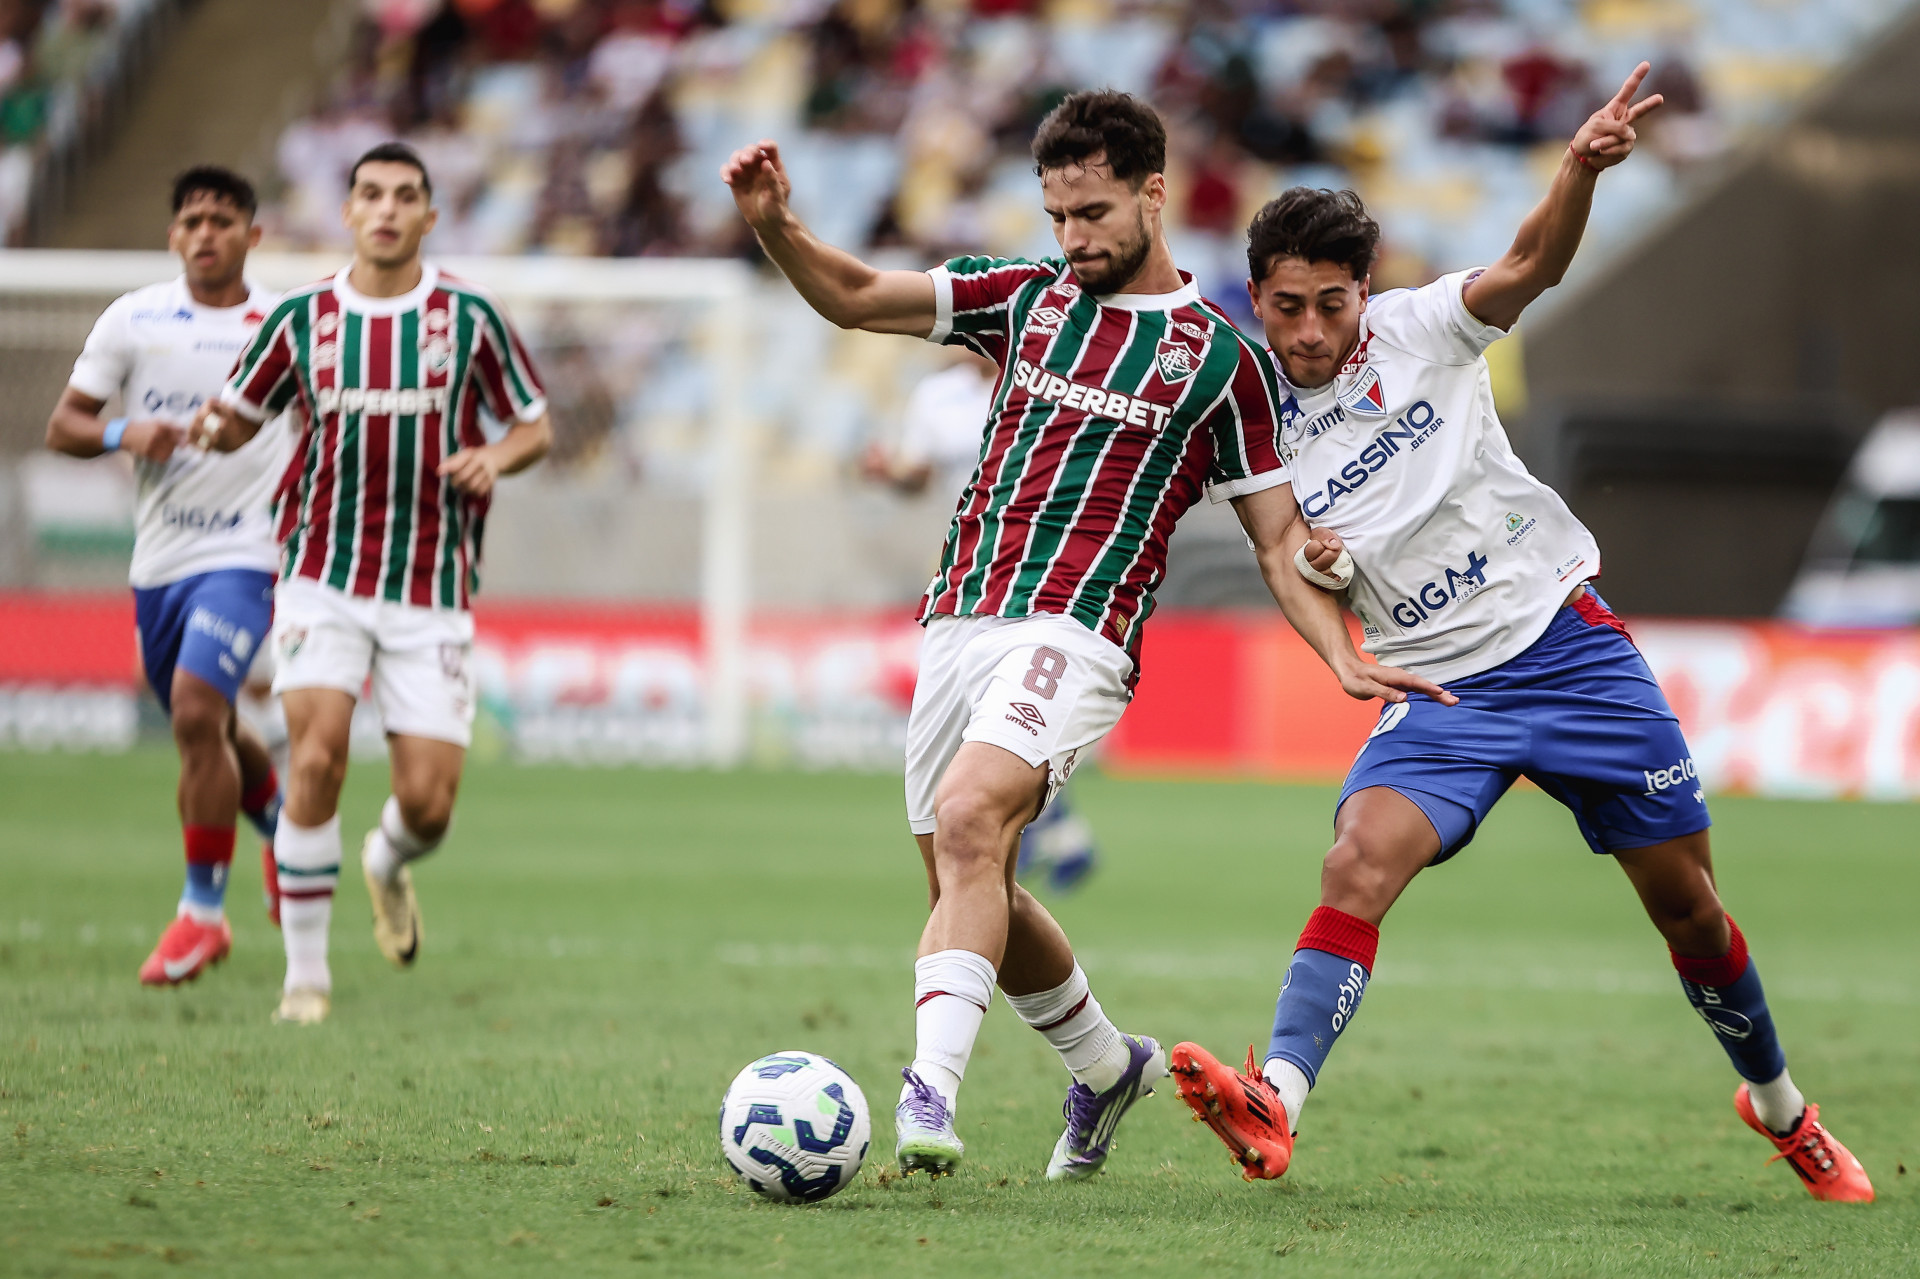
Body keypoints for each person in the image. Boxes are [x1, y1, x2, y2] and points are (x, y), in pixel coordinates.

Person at [1170, 64, 1873, 1203]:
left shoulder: (1422, 328)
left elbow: (1533, 265)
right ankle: (1278, 1099)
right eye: (1285, 305)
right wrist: (1324, 587)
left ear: (1364, 291)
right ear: (1256, 297)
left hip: (1567, 648)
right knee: (1355, 863)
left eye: (1329, 302)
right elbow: (1278, 544)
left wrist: (1576, 171)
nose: (1307, 329)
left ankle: (1782, 1106)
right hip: (1443, 693)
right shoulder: (1251, 413)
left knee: (1688, 905)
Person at [722, 90, 1441, 1181]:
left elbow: (1277, 537)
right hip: (962, 616)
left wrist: (1339, 648)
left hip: (1080, 632)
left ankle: (928, 1095)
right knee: (974, 887)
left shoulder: (1219, 366)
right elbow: (859, 294)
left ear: (1155, 193)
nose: (1073, 237)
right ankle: (1109, 1069)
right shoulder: (1021, 299)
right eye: (1058, 214)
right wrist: (778, 224)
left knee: (970, 818)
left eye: (1094, 212)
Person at [191, 142, 553, 1026]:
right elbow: (236, 417)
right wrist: (202, 429)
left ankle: (387, 861)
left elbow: (535, 426)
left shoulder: (469, 317)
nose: (386, 209)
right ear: (347, 213)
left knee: (428, 804)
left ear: (430, 218)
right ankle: (304, 979)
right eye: (370, 195)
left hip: (432, 588)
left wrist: (493, 457)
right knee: (314, 756)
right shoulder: (302, 319)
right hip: (322, 575)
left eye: (404, 197)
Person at [45, 166, 290, 986]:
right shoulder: (135, 319)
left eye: (224, 219)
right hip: (159, 559)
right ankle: (288, 839)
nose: (206, 232)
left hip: (249, 553)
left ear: (252, 235)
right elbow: (65, 424)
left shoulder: (280, 325)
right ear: (173, 236)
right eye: (192, 220)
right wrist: (124, 430)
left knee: (194, 710)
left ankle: (202, 915)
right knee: (211, 728)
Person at [862, 351, 1102, 894]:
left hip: (1047, 571)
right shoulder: (936, 396)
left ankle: (1045, 833)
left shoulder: (1061, 372)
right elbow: (917, 476)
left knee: (1009, 715)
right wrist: (889, 474)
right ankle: (1057, 834)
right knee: (977, 718)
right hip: (968, 570)